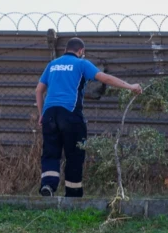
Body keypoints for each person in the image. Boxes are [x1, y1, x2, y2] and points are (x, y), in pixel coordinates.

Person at [35, 37, 143, 197]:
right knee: (75, 153)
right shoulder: (81, 64)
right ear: (81, 51)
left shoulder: (52, 65)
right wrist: (130, 86)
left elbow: (38, 90)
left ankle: (48, 186)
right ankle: (73, 193)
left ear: (65, 50)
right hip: (70, 113)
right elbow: (105, 78)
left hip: (49, 113)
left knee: (50, 152)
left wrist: (41, 114)